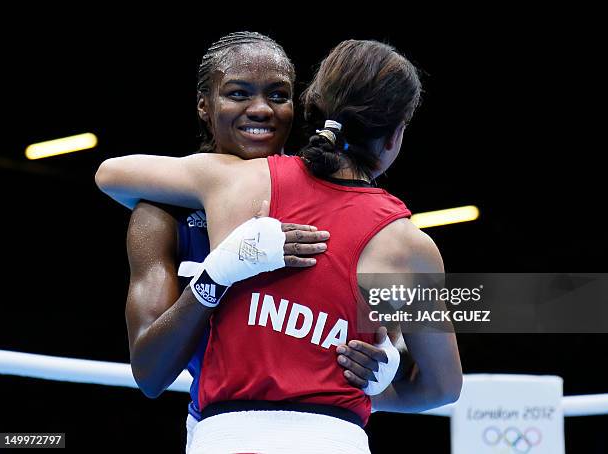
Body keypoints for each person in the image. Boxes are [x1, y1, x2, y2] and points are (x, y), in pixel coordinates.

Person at [96, 38, 460, 453]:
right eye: (238, 93)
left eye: (278, 95)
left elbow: (110, 174)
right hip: (283, 430)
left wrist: (385, 363)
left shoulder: (227, 181)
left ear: (306, 107)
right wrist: (218, 272)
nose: (260, 110)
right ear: (395, 136)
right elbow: (443, 386)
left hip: (235, 429)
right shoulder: (408, 243)